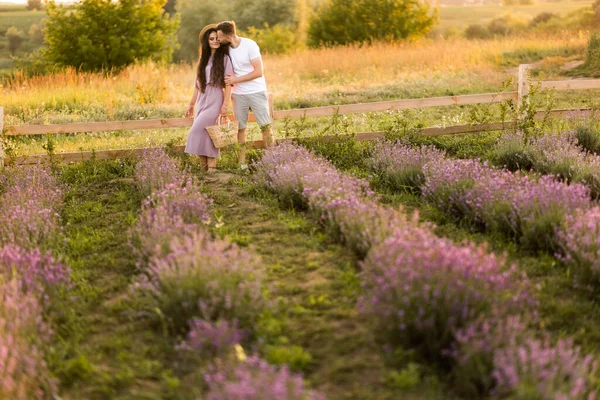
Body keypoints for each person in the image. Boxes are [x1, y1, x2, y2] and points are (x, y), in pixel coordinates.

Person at [216, 20, 274, 169]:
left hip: (256, 91)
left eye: (220, 37)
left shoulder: (250, 45)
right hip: (238, 95)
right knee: (241, 129)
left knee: (265, 127)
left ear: (228, 38)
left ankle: (273, 160)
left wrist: (236, 79)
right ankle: (242, 163)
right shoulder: (226, 50)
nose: (218, 40)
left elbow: (258, 71)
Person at [185, 24, 233, 172]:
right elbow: (197, 85)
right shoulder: (202, 59)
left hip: (215, 99)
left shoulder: (225, 58)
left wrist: (225, 106)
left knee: (199, 131)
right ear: (207, 41)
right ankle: (205, 170)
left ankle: (211, 169)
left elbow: (229, 85)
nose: (215, 41)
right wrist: (191, 104)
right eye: (211, 39)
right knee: (203, 135)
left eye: (217, 38)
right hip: (202, 99)